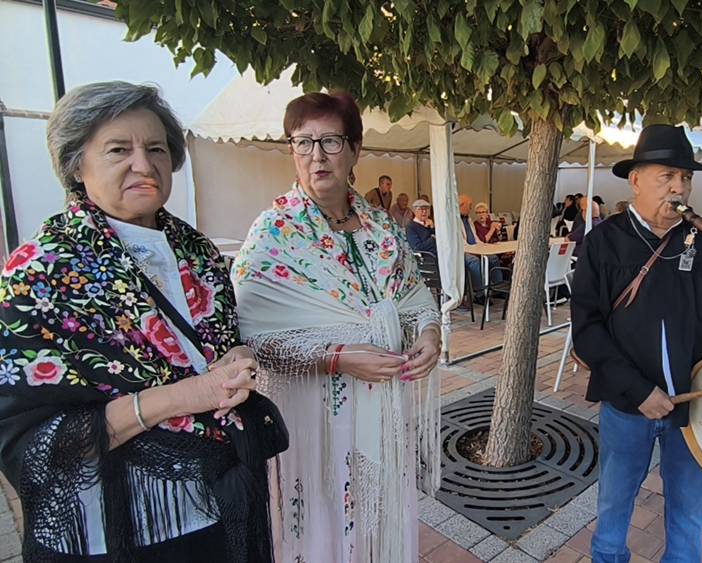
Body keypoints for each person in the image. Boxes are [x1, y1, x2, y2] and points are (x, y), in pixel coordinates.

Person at [0, 81, 282, 562]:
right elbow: (26, 441)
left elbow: (218, 344)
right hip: (114, 528)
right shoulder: (40, 271)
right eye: (118, 150)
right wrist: (183, 396)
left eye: (155, 148)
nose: (143, 163)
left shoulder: (199, 252)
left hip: (217, 507)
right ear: (76, 164)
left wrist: (239, 358)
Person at [232, 91, 442, 563]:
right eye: (303, 143)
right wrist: (336, 357)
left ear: (354, 150)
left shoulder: (381, 227)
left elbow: (413, 295)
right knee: (323, 528)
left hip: (384, 409)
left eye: (330, 141)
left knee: (379, 523)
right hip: (314, 421)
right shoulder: (273, 232)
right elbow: (249, 338)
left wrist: (429, 333)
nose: (317, 156)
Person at [572, 124, 702, 562]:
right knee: (613, 505)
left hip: (695, 405)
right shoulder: (603, 243)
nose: (679, 187)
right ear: (636, 180)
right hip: (628, 406)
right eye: (667, 176)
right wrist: (638, 390)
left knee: (687, 511)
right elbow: (586, 330)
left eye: (685, 177)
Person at [458, 194, 501, 296]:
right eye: (469, 206)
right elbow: (461, 242)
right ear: (462, 205)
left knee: (493, 258)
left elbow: (476, 238)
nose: (471, 208)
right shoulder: (455, 220)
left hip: (475, 247)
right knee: (474, 261)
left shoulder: (468, 219)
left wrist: (483, 246)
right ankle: (479, 293)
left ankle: (498, 288)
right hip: (463, 250)